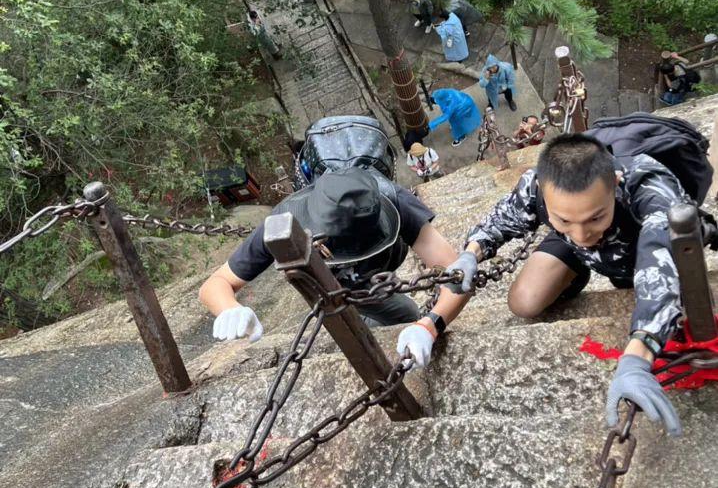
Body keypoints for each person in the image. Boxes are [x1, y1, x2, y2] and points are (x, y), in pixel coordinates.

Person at [445, 133, 692, 437]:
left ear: (614, 184)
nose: (581, 232)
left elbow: (661, 259)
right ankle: (574, 272)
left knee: (637, 287)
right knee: (524, 301)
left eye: (594, 217)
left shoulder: (649, 185)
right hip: (576, 254)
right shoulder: (536, 185)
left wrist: (637, 356)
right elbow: (499, 220)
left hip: (636, 251)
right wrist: (470, 255)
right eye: (564, 219)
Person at [199, 168, 471, 369]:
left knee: (408, 313)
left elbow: (455, 273)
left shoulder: (393, 200)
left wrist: (429, 326)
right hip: (326, 286)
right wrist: (230, 309)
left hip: (374, 281)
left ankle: (371, 320)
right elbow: (217, 283)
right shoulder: (284, 222)